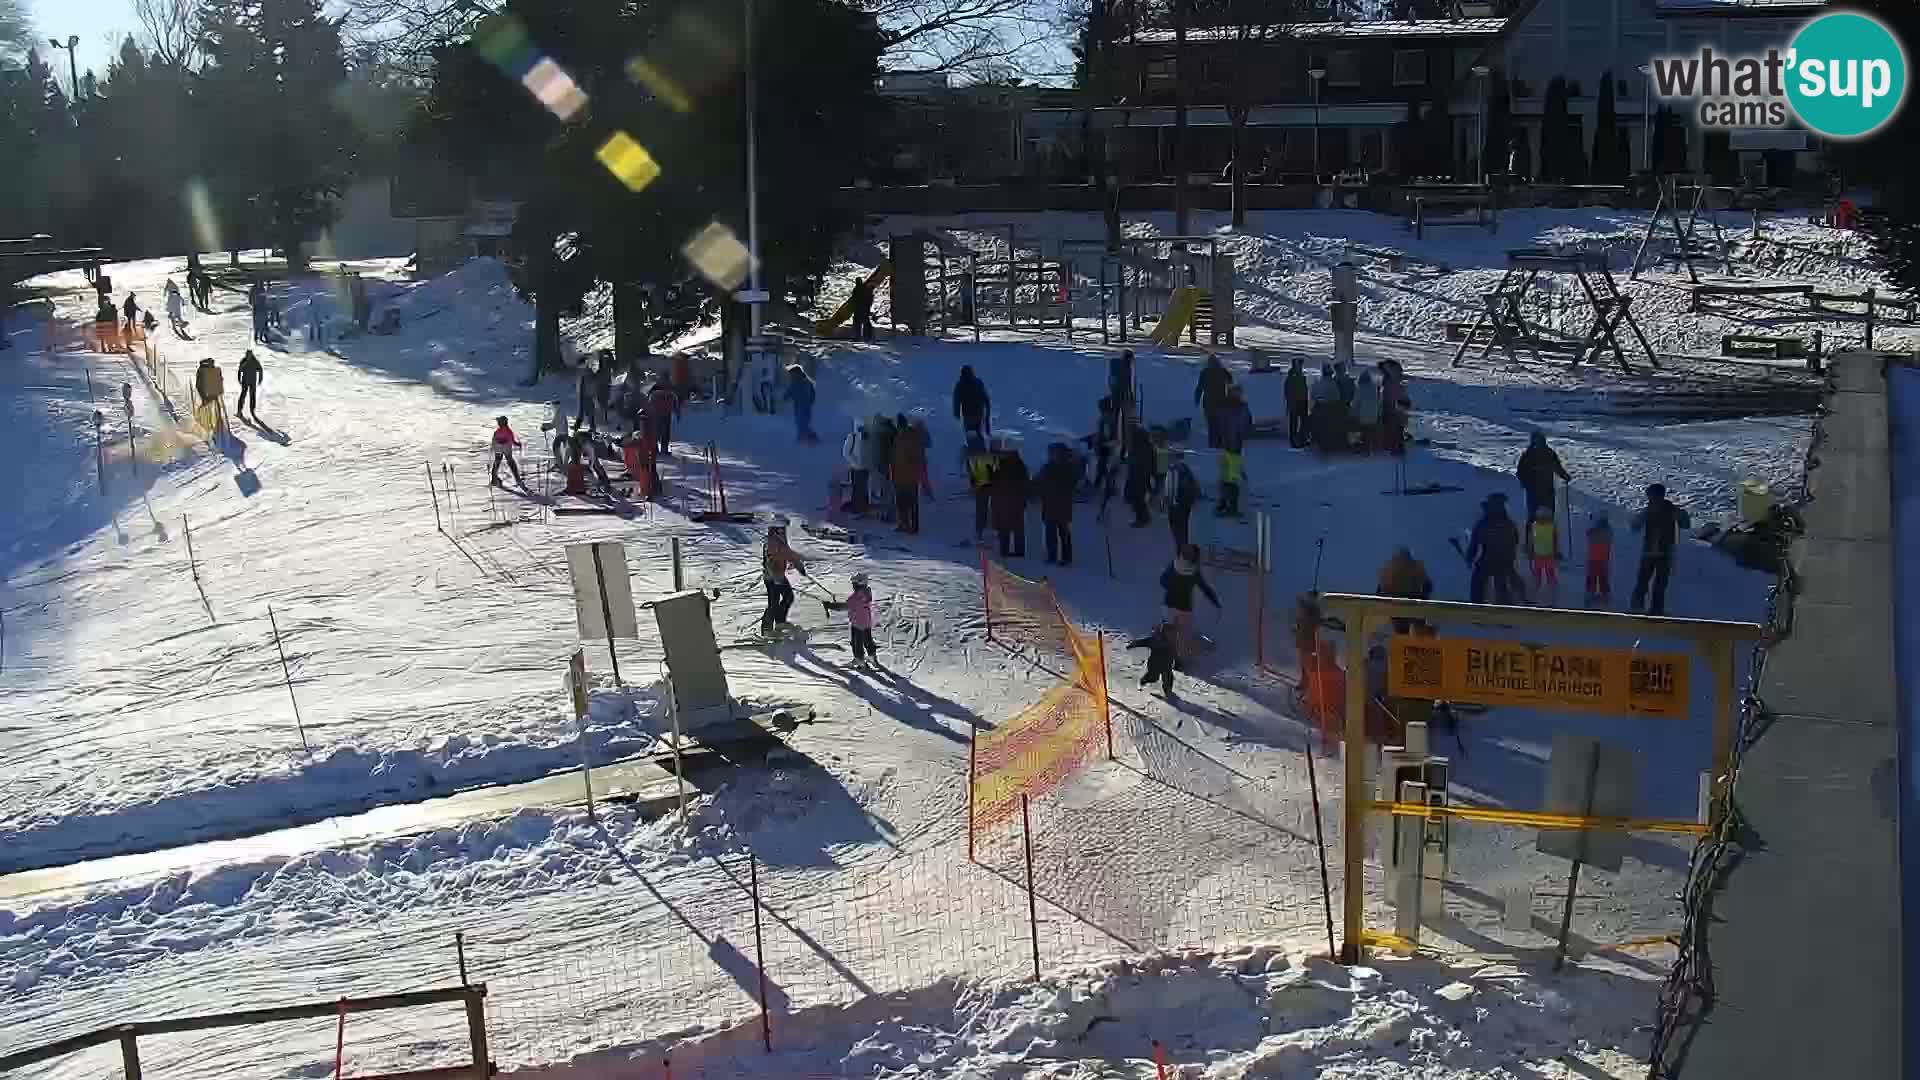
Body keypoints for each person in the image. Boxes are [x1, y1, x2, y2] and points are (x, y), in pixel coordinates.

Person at [1630, 483, 1691, 615]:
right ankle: (1645, 608)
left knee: (1651, 581)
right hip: (1656, 550)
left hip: (1660, 551)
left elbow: (1685, 523)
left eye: (1651, 495)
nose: (1650, 498)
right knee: (1650, 581)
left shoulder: (1667, 509)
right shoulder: (1653, 509)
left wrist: (1681, 516)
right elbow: (1636, 525)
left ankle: (1647, 608)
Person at [1160, 544, 1221, 661]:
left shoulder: (1174, 565)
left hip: (1168, 604)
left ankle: (1166, 655)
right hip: (1184, 608)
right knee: (1183, 636)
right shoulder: (1194, 572)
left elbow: (1162, 581)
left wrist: (1172, 586)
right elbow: (1205, 588)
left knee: (1169, 632)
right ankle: (1179, 660)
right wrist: (1215, 601)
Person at [1466, 493, 1524, 604]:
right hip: (1505, 560)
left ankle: (1477, 603)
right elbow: (1515, 542)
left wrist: (1470, 557)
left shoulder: (1483, 523)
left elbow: (1475, 543)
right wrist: (1511, 559)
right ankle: (1505, 604)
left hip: (1488, 559)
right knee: (1502, 581)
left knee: (1478, 580)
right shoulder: (1509, 524)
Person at [823, 572, 880, 669]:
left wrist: (830, 605)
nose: (853, 586)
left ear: (858, 585)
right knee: (867, 639)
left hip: (857, 623)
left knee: (856, 642)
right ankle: (872, 657)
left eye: (854, 584)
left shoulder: (856, 598)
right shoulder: (867, 592)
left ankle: (859, 660)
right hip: (867, 621)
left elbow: (844, 607)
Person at [760, 520, 808, 637]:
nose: (784, 531)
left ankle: (780, 622)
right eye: (782, 528)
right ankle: (767, 627)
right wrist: (775, 577)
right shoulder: (771, 542)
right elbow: (769, 562)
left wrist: (799, 566)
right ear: (776, 529)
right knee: (774, 603)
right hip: (772, 578)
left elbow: (788, 554)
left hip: (779, 576)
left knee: (788, 597)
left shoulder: (780, 540)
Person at [1516, 431, 1570, 529]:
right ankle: (1544, 538)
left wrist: (1564, 476)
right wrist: (1565, 476)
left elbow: (1520, 473)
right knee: (1544, 516)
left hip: (1538, 491)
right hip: (1542, 490)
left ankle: (1534, 538)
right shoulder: (1547, 453)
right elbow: (1557, 467)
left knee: (1535, 516)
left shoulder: (1529, 454)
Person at [1035, 442, 1077, 566]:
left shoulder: (1051, 468)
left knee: (1056, 532)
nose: (1051, 455)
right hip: (1059, 504)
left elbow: (1039, 483)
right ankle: (1062, 557)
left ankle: (1058, 556)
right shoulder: (1069, 467)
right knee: (1059, 532)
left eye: (1052, 453)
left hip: (1054, 504)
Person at [989, 439, 1030, 557]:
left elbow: (992, 480)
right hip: (1017, 501)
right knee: (1018, 527)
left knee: (1004, 527)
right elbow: (1025, 483)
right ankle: (1019, 550)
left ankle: (1004, 550)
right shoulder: (1020, 465)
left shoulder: (1000, 464)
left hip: (1002, 500)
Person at [891, 414, 926, 534]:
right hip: (904, 476)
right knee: (905, 503)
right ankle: (905, 524)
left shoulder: (907, 438)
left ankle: (910, 526)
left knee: (908, 503)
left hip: (906, 476)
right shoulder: (903, 437)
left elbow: (915, 458)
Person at [1128, 621, 1179, 696]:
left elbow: (1175, 653)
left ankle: (1167, 691)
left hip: (1167, 665)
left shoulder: (1172, 642)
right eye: (1169, 633)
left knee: (1168, 678)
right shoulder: (1155, 640)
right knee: (1153, 678)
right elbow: (1143, 642)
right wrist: (1132, 644)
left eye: (1172, 633)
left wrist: (1178, 663)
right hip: (1154, 665)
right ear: (1163, 632)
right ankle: (1143, 681)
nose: (1171, 635)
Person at [1194, 354, 1232, 447]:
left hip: (1208, 402)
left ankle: (1212, 443)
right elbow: (1231, 381)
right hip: (1221, 401)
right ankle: (1220, 442)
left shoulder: (1204, 372)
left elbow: (1199, 388)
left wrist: (1197, 399)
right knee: (1220, 423)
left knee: (1211, 424)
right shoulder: (1223, 371)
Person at [964, 433, 996, 542]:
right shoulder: (985, 453)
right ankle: (989, 528)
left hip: (981, 485)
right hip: (989, 485)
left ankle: (980, 531)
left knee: (981, 508)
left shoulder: (972, 455)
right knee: (987, 507)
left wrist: (973, 486)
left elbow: (973, 473)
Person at [1124, 423, 1155, 527]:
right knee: (1137, 498)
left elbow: (1138, 465)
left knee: (1138, 498)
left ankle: (1143, 518)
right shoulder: (1146, 447)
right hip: (1140, 476)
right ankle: (1143, 516)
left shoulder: (1139, 449)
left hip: (1138, 477)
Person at [1311, 363, 1347, 452]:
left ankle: (1318, 441)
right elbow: (1337, 396)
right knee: (1328, 427)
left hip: (1319, 407)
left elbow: (1313, 395)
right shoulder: (1333, 383)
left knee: (1320, 426)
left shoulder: (1318, 382)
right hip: (1330, 408)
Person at [1166, 452, 1200, 548]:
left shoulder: (1173, 470)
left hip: (1177, 508)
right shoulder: (1186, 470)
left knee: (1179, 532)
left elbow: (1169, 490)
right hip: (1182, 508)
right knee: (1183, 531)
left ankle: (1181, 550)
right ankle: (1182, 550)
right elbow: (1194, 488)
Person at [1529, 505, 1559, 603]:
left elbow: (1531, 540)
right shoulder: (1550, 525)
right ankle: (1550, 593)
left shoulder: (1536, 525)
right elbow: (1555, 539)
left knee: (1541, 574)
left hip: (1542, 554)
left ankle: (1539, 593)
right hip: (1545, 554)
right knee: (1547, 574)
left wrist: (1530, 549)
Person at [952, 365, 990, 440]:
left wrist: (956, 413)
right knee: (978, 432)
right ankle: (979, 446)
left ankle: (972, 447)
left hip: (968, 414)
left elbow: (956, 400)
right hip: (978, 412)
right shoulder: (978, 382)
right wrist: (987, 406)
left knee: (969, 433)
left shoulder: (960, 384)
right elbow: (985, 396)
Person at [1585, 512, 1614, 606]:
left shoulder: (1596, 532)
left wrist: (1594, 528)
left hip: (1595, 559)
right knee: (1601, 577)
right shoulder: (1608, 531)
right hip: (1602, 559)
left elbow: (1589, 534)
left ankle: (1592, 593)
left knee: (1595, 577)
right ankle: (1603, 593)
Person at [842, 420, 871, 515]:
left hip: (865, 468)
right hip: (856, 468)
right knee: (857, 488)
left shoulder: (868, 437)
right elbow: (846, 453)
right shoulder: (853, 436)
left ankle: (863, 506)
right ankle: (857, 507)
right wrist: (855, 463)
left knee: (864, 488)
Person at [784, 364, 818, 443]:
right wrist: (784, 397)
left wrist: (808, 402)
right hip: (798, 405)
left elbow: (811, 394)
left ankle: (810, 438)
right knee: (800, 423)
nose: (791, 376)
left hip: (804, 406)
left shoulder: (805, 382)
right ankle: (802, 439)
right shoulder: (795, 382)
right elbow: (790, 391)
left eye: (792, 374)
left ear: (797, 373)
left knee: (802, 423)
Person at [647, 380, 681, 456]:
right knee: (665, 432)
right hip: (665, 414)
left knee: (656, 432)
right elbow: (676, 404)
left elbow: (648, 404)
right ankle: (663, 449)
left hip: (657, 414)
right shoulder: (671, 393)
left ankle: (655, 449)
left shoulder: (653, 394)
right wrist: (677, 413)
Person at [193, 358, 227, 433]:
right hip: (212, 392)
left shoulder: (202, 370)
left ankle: (206, 421)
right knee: (213, 407)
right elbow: (220, 380)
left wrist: (202, 393)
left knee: (208, 407)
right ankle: (213, 422)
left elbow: (198, 384)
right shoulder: (211, 370)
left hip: (207, 393)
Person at [1283, 356, 1311, 448]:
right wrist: (1290, 401)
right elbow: (1288, 391)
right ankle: (1294, 439)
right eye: (1299, 364)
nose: (1301, 366)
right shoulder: (1292, 377)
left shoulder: (1300, 375)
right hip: (1295, 401)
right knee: (1294, 421)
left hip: (1303, 401)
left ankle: (1302, 438)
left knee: (1304, 421)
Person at [490, 416, 526, 487]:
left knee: (496, 463)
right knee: (511, 463)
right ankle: (518, 479)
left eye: (499, 422)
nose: (498, 423)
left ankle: (494, 480)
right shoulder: (509, 431)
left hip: (498, 449)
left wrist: (494, 447)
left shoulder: (497, 432)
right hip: (507, 449)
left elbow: (494, 441)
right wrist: (518, 444)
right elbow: (512, 441)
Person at [1351, 370, 1381, 453]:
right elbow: (1379, 403)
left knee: (1361, 426)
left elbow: (1355, 404)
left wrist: (1352, 413)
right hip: (1374, 418)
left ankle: (1362, 445)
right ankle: (1371, 444)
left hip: (1363, 418)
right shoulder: (1374, 389)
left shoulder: (1360, 389)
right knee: (1370, 429)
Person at [1110, 349, 1135, 436]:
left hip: (1117, 393)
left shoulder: (1115, 364)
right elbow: (1127, 382)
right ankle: (1119, 433)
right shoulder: (1126, 366)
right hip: (1121, 394)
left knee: (1116, 414)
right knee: (1120, 415)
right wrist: (1131, 396)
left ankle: (1116, 432)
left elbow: (1112, 380)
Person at [236, 350, 263, 421]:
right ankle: (239, 410)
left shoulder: (255, 361)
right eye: (247, 354)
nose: (248, 356)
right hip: (245, 381)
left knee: (252, 396)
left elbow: (260, 369)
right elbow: (240, 370)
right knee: (243, 396)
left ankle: (252, 410)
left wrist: (260, 379)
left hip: (252, 382)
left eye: (250, 354)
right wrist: (239, 379)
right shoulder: (243, 361)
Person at [850, 274, 875, 341]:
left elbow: (854, 299)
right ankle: (867, 337)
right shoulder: (865, 289)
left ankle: (857, 337)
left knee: (857, 324)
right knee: (866, 323)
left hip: (858, 310)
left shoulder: (855, 289)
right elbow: (869, 299)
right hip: (864, 309)